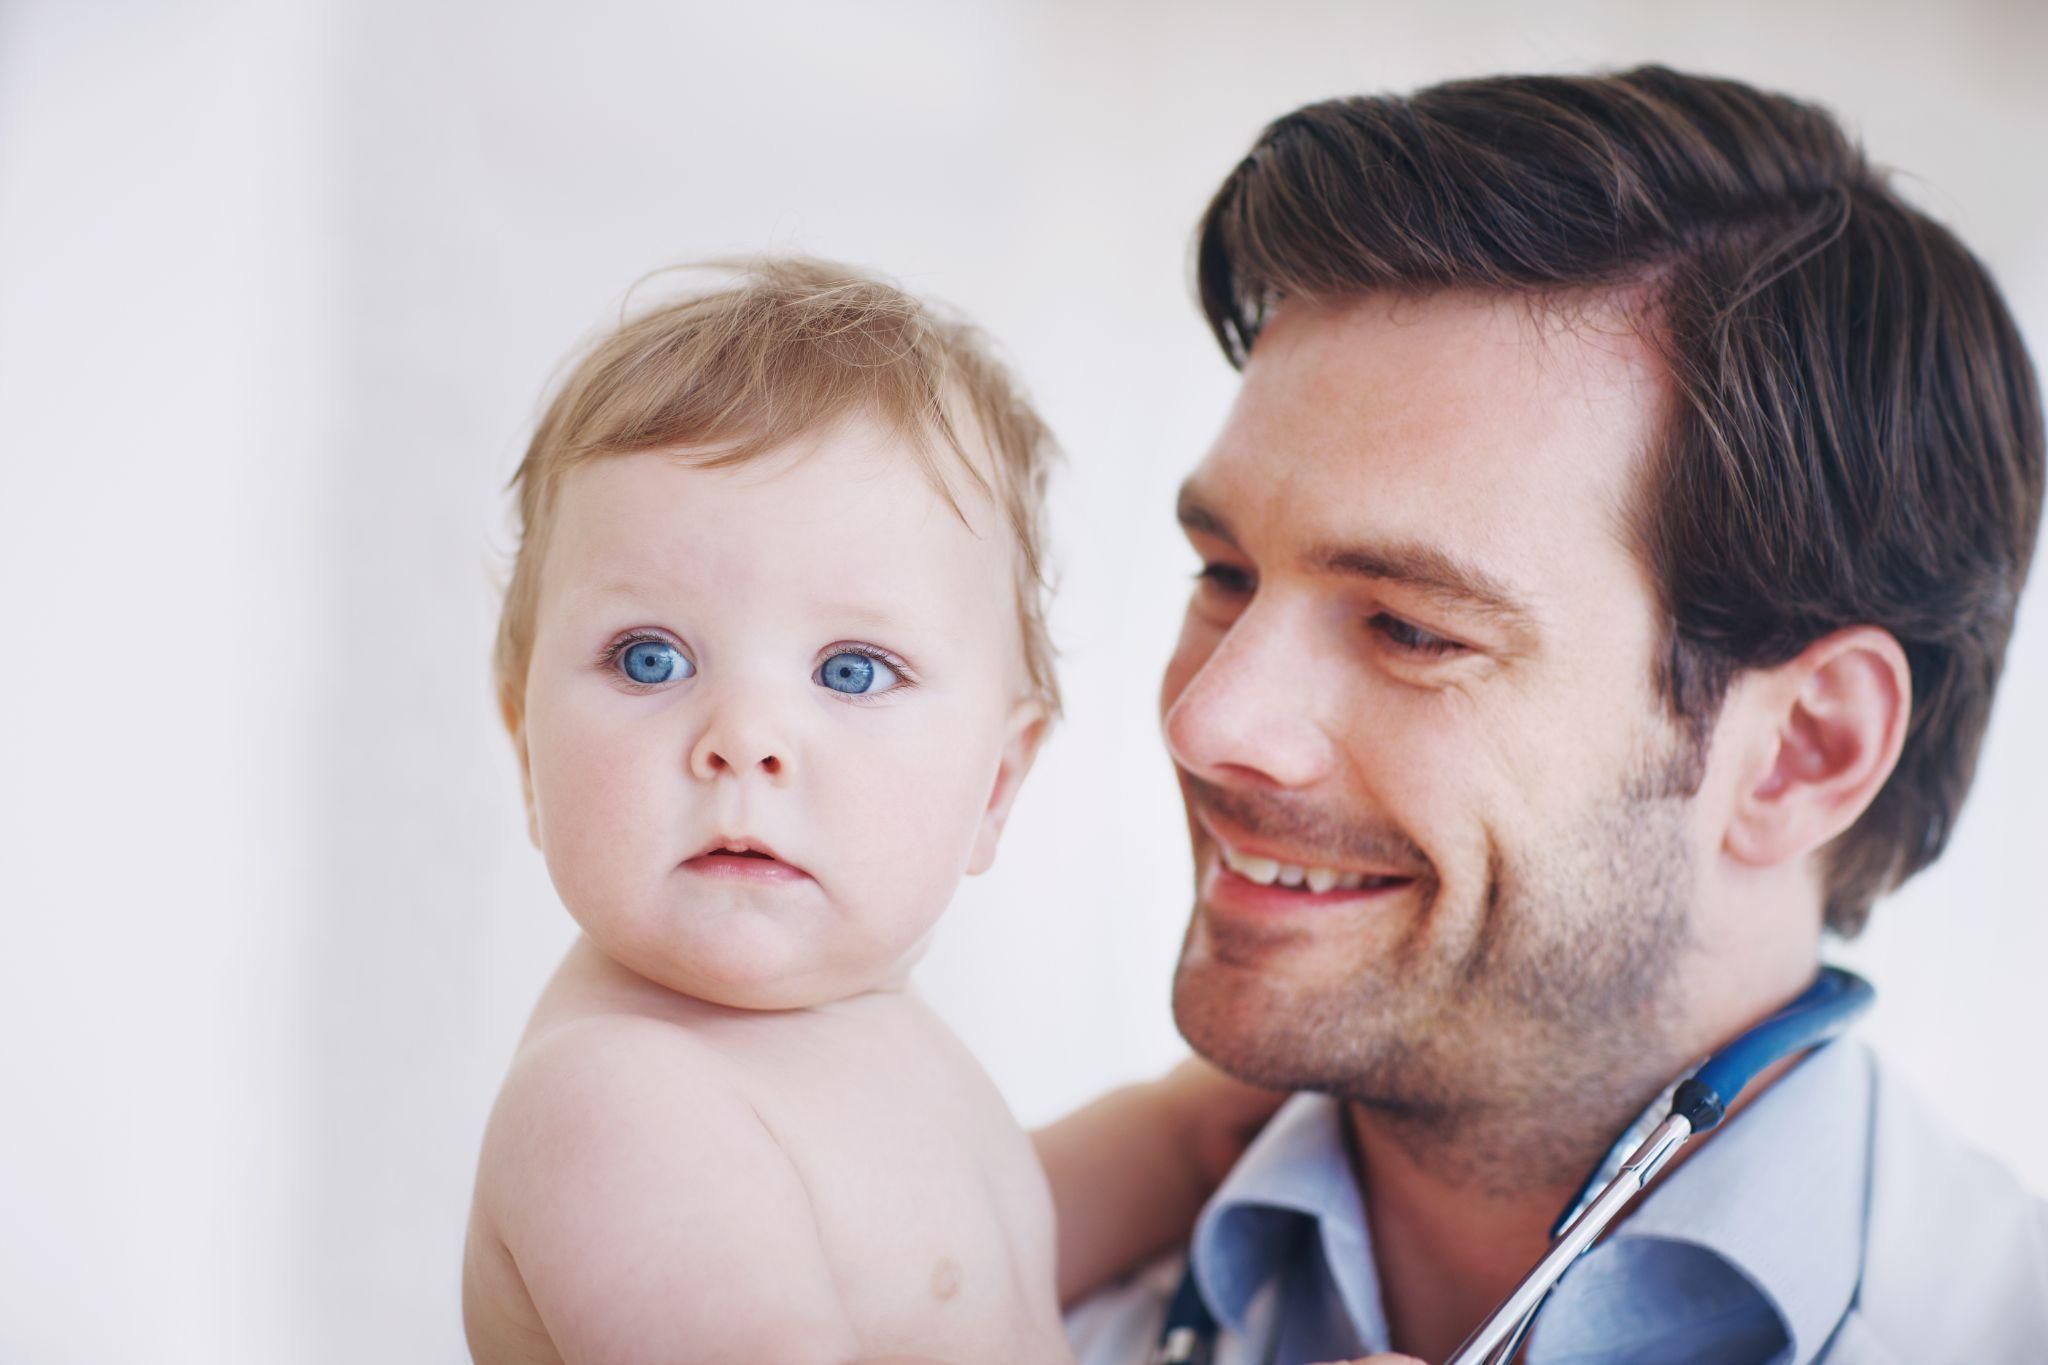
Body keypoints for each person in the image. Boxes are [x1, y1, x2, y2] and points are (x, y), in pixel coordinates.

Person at [1065, 66, 2048, 1363]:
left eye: (1412, 628)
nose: (1211, 717)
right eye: (1225, 574)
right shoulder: (950, 1291)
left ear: (1802, 751)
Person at [459, 258, 1281, 1364]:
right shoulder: (616, 1105)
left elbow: (954, 1277)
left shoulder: (860, 1046)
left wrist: (1184, 1138)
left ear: (995, 784)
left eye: (850, 672)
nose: (742, 737)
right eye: (648, 658)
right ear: (525, 751)